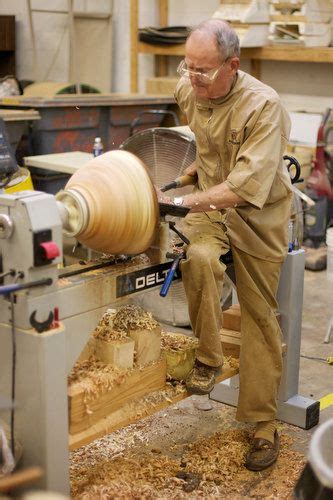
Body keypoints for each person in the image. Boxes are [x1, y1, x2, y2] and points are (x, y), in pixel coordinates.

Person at [160, 19, 293, 471]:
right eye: (188, 67)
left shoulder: (263, 105)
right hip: (211, 205)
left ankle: (262, 424)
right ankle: (209, 358)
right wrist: (183, 178)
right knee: (197, 257)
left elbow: (244, 184)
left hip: (258, 213)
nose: (192, 78)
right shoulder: (188, 88)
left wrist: (180, 200)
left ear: (232, 66)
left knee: (258, 316)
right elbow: (205, 146)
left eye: (203, 71)